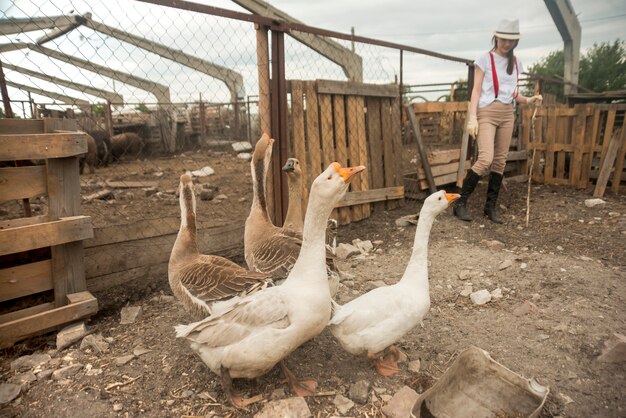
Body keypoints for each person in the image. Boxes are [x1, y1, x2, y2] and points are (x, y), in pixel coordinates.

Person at [453, 19, 542, 224]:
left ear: (515, 42)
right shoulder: (484, 59)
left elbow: (513, 94)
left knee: (500, 160)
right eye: (503, 39)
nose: (506, 44)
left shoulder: (517, 63)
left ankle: (489, 207)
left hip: (507, 113)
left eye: (511, 40)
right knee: (485, 158)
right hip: (487, 111)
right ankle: (460, 203)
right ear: (496, 37)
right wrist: (473, 117)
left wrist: (529, 99)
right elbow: (475, 91)